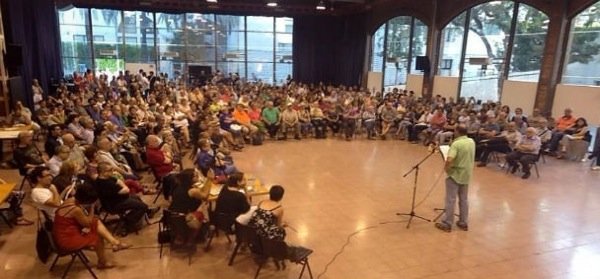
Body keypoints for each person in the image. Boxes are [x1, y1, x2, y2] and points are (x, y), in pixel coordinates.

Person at [52, 182, 131, 269]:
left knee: (96, 221)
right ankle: (102, 262)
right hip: (66, 239)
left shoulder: (70, 200)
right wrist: (92, 208)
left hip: (65, 233)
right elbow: (87, 224)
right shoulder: (75, 209)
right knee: (97, 237)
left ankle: (115, 243)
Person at [435, 124, 475, 232]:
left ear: (457, 131)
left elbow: (450, 159)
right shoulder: (471, 141)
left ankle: (447, 223)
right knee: (464, 199)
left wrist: (447, 169)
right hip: (466, 173)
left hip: (455, 173)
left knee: (450, 199)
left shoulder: (456, 144)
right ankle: (463, 222)